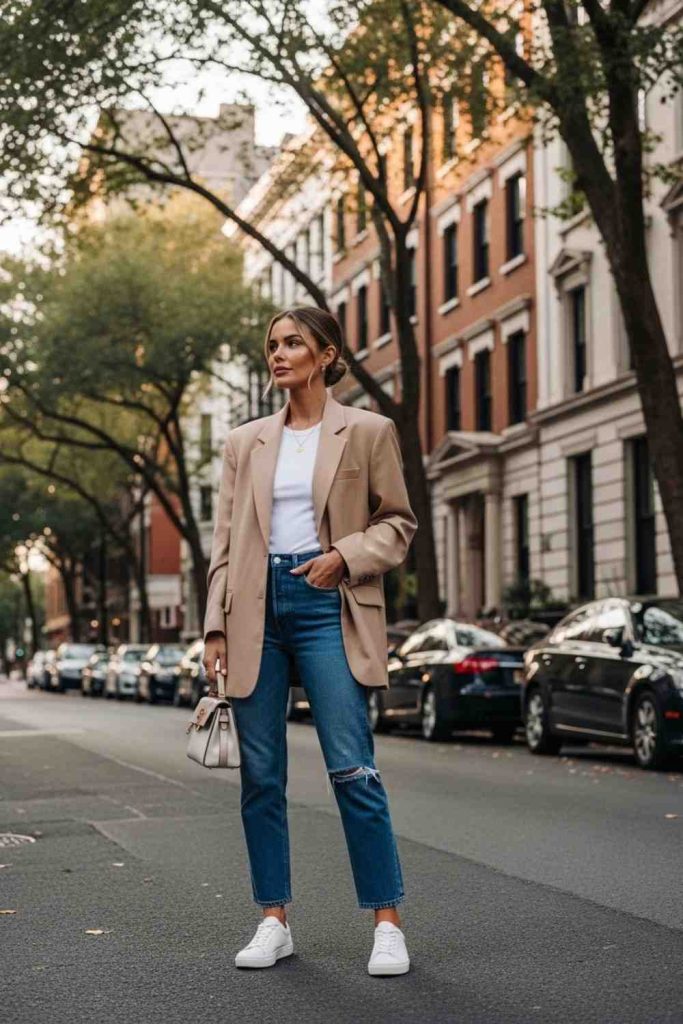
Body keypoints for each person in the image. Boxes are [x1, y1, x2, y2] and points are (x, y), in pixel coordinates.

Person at [202, 305, 418, 975]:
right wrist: (214, 625)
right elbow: (226, 542)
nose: (279, 353)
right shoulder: (245, 442)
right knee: (260, 776)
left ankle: (385, 923)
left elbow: (397, 523)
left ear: (325, 355)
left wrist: (345, 556)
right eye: (272, 344)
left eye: (293, 342)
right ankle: (273, 919)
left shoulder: (367, 431)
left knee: (352, 767)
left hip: (329, 605)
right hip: (254, 611)